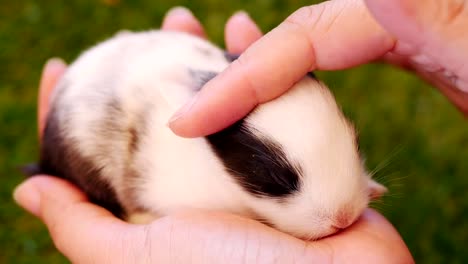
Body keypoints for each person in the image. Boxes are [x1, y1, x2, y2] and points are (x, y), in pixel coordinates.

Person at [15, 0, 468, 262]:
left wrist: (346, 184)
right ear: (219, 145)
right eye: (282, 182)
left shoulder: (273, 97)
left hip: (158, 60)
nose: (338, 219)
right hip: (106, 101)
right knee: (99, 150)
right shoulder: (181, 171)